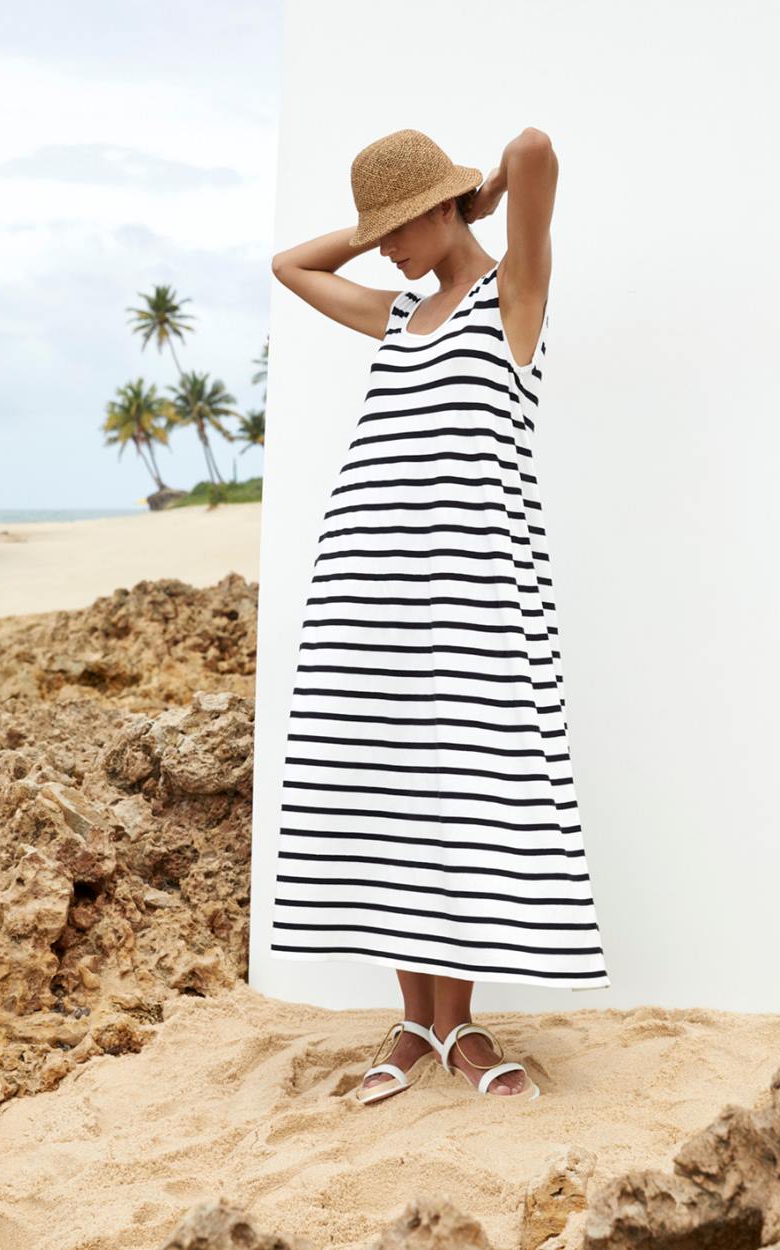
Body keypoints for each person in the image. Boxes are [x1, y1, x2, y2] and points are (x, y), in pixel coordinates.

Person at [269, 128, 610, 1103]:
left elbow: (538, 149)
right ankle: (413, 1019)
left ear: (440, 208)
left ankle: (457, 1023)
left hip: (470, 591)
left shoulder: (513, 297)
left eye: (394, 228)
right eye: (375, 232)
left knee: (458, 793)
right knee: (386, 795)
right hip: (365, 587)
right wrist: (400, 219)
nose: (382, 249)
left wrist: (477, 197)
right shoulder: (397, 312)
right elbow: (289, 264)